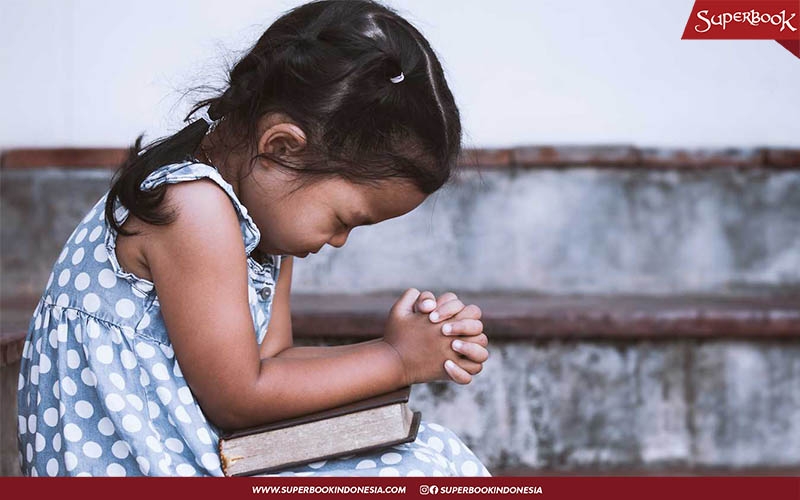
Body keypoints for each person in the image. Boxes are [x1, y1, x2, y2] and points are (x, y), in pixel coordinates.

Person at [17, 0, 491, 477]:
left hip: (191, 453)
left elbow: (274, 362)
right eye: (346, 218)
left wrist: (411, 348)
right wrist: (395, 358)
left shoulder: (263, 222)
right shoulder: (191, 208)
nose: (341, 240)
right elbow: (241, 397)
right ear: (282, 147)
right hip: (135, 469)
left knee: (433, 451)